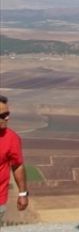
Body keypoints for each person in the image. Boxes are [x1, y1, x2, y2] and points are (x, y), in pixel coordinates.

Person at [0, 95, 30, 226]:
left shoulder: (12, 138)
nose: (7, 118)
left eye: (7, 114)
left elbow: (17, 166)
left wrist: (23, 193)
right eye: (2, 115)